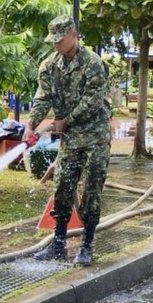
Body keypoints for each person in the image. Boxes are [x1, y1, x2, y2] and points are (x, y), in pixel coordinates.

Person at [23, 15, 112, 267]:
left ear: (73, 35)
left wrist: (65, 121)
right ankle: (59, 244)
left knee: (91, 190)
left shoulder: (93, 63)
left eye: (60, 40)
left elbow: (92, 101)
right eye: (53, 41)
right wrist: (31, 125)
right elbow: (43, 98)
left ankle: (86, 245)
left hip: (95, 136)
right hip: (70, 138)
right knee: (62, 186)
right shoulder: (49, 66)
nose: (56, 45)